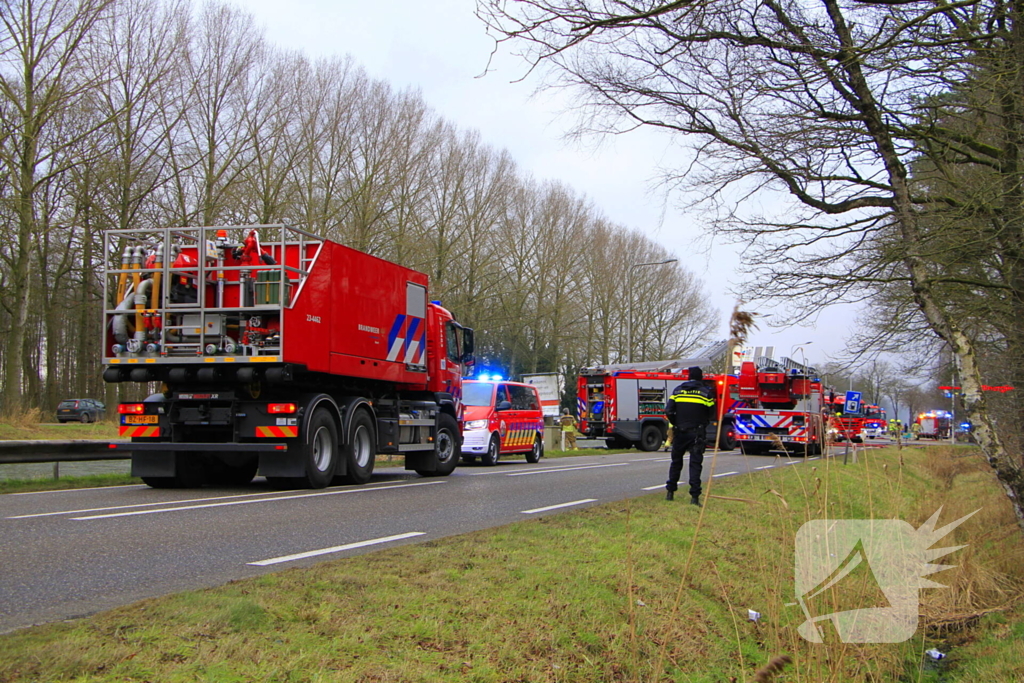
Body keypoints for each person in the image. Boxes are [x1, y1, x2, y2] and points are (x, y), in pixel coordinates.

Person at [665, 366, 716, 506]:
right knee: (695, 464)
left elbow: (668, 411)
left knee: (676, 462)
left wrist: (676, 423)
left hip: (680, 432)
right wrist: (703, 422)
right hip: (697, 433)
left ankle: (670, 492)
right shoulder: (706, 393)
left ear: (688, 376)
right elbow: (712, 414)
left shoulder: (677, 391)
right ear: (701, 377)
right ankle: (694, 498)